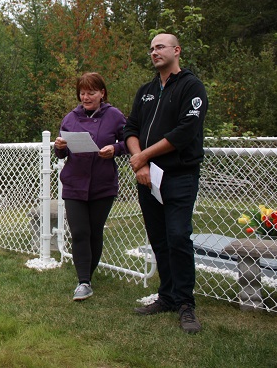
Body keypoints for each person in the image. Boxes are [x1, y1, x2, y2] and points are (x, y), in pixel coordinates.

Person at [124, 33, 208, 334]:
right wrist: (142, 163)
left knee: (178, 237)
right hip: (147, 178)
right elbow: (131, 129)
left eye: (160, 47)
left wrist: (143, 156)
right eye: (151, 48)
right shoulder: (146, 91)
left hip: (179, 176)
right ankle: (168, 297)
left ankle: (185, 303)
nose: (154, 52)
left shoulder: (191, 86)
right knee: (159, 239)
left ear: (177, 50)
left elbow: (186, 131)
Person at [53, 72, 127, 302]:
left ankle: (88, 276)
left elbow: (130, 141)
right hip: (74, 183)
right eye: (82, 93)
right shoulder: (70, 118)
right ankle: (83, 281)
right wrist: (59, 147)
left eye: (91, 93)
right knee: (79, 232)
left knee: (95, 231)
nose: (85, 97)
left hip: (102, 184)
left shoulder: (115, 116)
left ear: (102, 93)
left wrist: (115, 149)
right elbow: (61, 153)